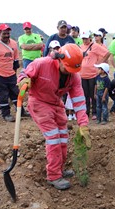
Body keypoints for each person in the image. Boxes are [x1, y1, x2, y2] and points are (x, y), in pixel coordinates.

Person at [17, 44, 91, 190]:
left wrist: (83, 124)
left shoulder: (74, 76)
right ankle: (53, 175)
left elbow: (79, 101)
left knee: (63, 137)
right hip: (39, 103)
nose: (69, 72)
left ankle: (59, 169)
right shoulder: (42, 63)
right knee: (54, 138)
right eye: (67, 68)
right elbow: (24, 74)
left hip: (56, 104)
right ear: (59, 59)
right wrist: (24, 80)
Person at [0, 23, 29, 122]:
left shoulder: (13, 43)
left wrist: (14, 70)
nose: (6, 35)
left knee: (15, 93)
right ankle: (6, 114)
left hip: (11, 74)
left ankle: (21, 111)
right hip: (0, 75)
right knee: (3, 95)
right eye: (4, 33)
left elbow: (15, 59)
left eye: (8, 33)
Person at [80, 31, 111, 120]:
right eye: (83, 38)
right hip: (83, 74)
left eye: (86, 38)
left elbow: (107, 53)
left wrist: (100, 63)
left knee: (93, 94)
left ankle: (94, 112)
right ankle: (86, 112)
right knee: (85, 95)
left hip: (93, 74)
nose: (84, 40)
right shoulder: (81, 47)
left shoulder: (95, 46)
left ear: (89, 38)